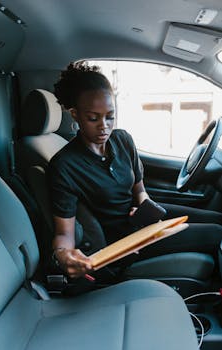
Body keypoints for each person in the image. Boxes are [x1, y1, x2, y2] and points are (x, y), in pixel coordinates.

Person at [48, 61, 222, 287]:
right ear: (75, 114)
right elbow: (64, 233)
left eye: (110, 116)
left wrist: (145, 207)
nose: (104, 126)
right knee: (217, 233)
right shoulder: (64, 165)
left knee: (218, 219)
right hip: (126, 241)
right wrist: (63, 255)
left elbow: (139, 190)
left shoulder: (122, 140)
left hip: (145, 222)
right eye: (93, 118)